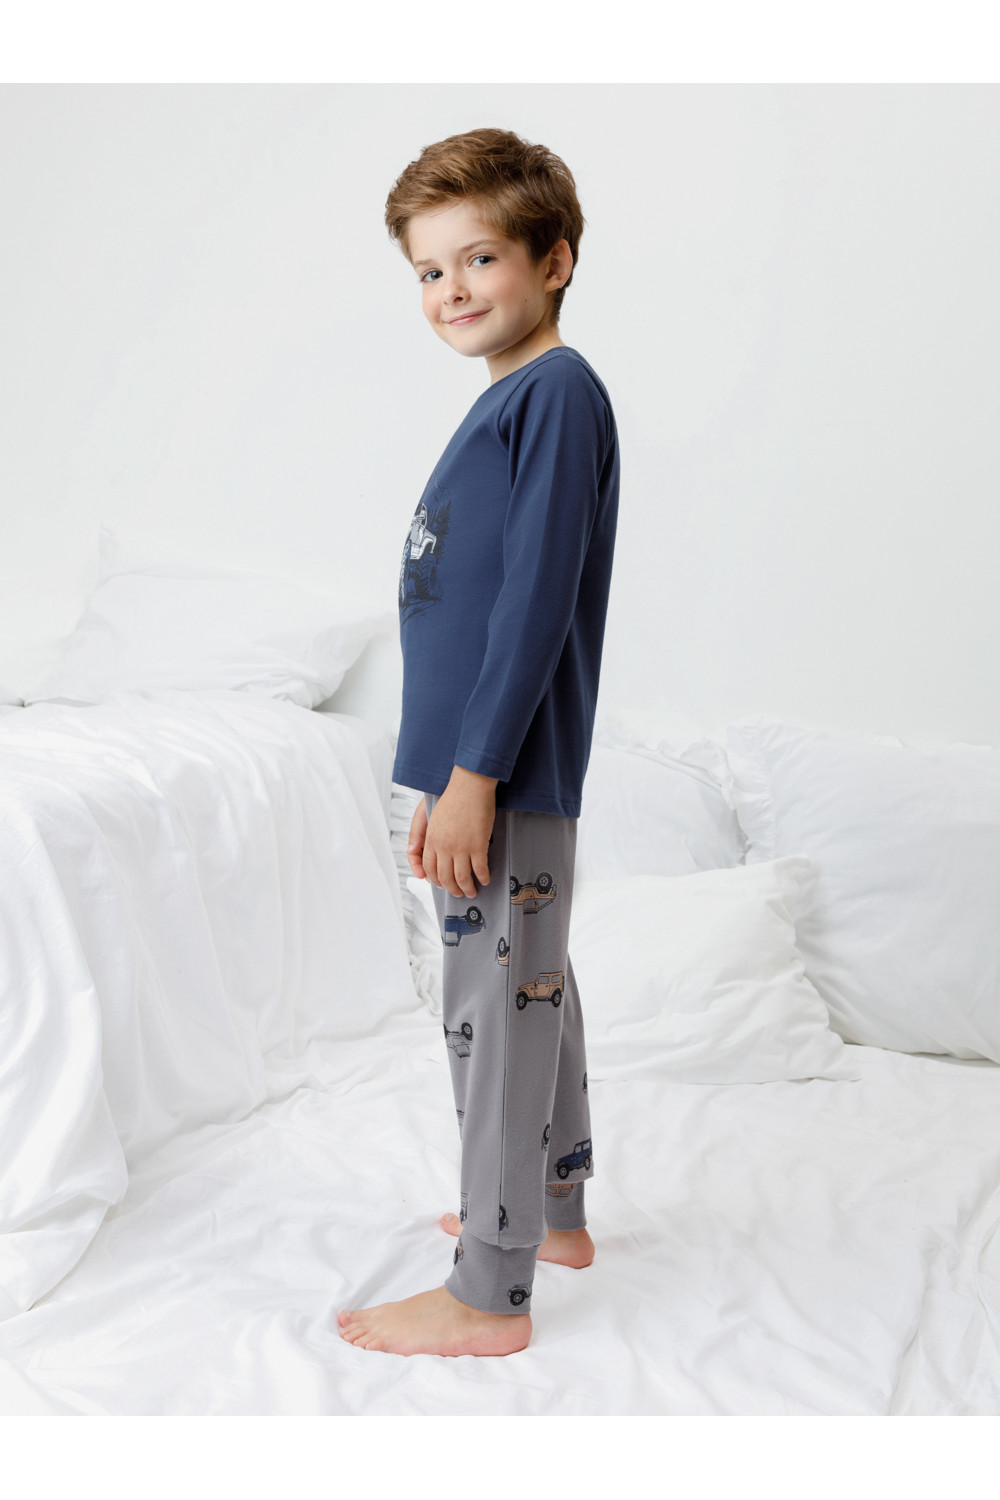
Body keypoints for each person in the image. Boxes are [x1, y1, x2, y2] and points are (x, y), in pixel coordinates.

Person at [338, 126, 620, 1358]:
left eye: (480, 258)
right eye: (428, 269)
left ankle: (487, 1290)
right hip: (481, 767)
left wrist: (473, 779)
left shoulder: (553, 394)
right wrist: (451, 774)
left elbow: (535, 599)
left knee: (494, 1007)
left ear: (553, 261)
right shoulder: (516, 398)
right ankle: (550, 1214)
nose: (451, 289)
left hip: (499, 770)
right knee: (529, 981)